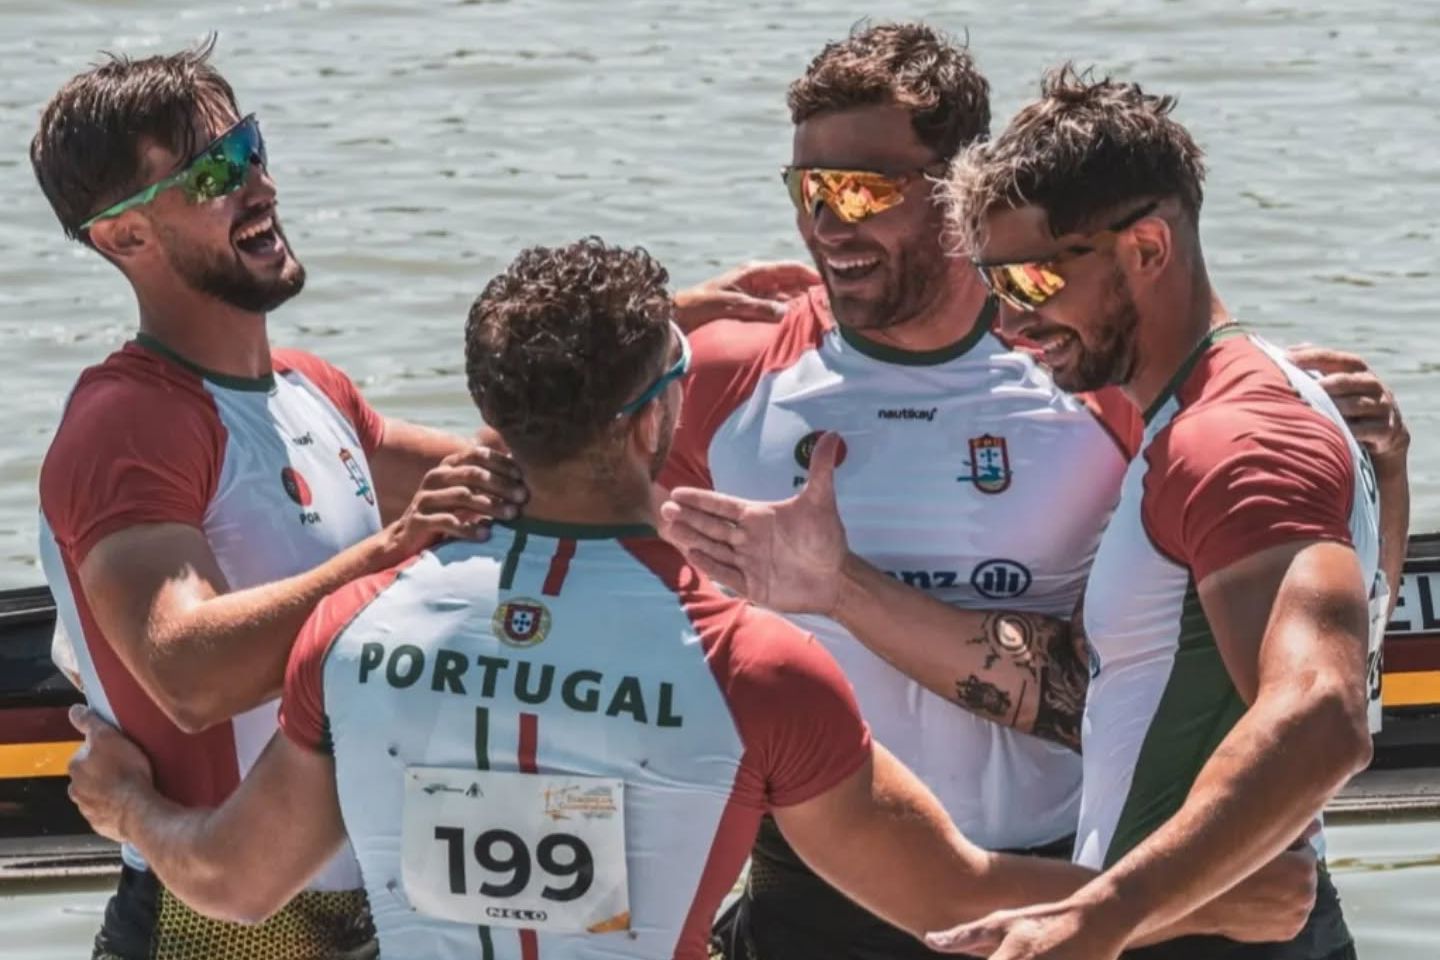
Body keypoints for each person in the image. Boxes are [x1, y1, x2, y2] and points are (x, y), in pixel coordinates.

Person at [64, 237, 1319, 960]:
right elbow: (953, 897)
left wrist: (126, 806)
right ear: (664, 413)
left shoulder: (351, 630)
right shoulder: (756, 668)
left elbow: (233, 885)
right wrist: (1199, 892)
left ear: (494, 417)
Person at [662, 67, 1409, 960]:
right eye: (1000, 283)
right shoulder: (1241, 408)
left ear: (1146, 251)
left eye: (1032, 282)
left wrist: (1105, 914)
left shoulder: (1228, 436)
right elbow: (1340, 653)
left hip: (1193, 918)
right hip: (1123, 902)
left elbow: (1325, 712)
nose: (1015, 320)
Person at [30, 40, 529, 960]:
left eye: (251, 148)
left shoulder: (313, 390)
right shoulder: (128, 422)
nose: (257, 186)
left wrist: (655, 348)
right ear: (124, 236)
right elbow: (187, 676)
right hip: (205, 927)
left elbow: (524, 481)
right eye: (215, 172)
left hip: (373, 910)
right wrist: (394, 554)